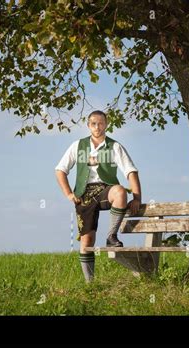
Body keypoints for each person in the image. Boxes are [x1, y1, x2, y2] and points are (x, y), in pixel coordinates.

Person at [55, 110, 142, 283]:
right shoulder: (77, 146)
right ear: (88, 126)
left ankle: (111, 236)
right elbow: (60, 170)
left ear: (106, 125)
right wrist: (69, 194)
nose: (97, 126)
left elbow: (131, 171)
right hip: (83, 194)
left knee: (120, 191)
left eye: (101, 123)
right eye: (93, 123)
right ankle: (90, 284)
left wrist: (137, 198)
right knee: (87, 240)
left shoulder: (115, 146)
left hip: (105, 189)